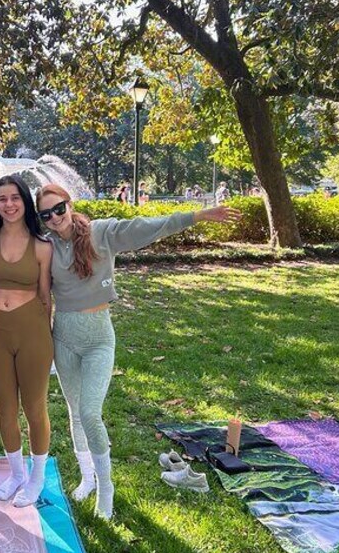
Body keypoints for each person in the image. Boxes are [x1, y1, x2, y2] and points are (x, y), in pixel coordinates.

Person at [35, 183, 241, 519]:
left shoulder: (101, 233)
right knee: (74, 412)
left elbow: (148, 227)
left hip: (99, 338)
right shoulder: (45, 248)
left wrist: (199, 215)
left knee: (90, 412)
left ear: (69, 205)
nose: (55, 217)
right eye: (46, 214)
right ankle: (87, 477)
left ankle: (106, 487)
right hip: (64, 339)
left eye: (59, 208)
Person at [0, 174, 54, 508]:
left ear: (25, 201)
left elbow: (46, 297)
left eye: (15, 198)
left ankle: (37, 477)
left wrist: (49, 343)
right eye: (2, 199)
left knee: (34, 407)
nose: (9, 204)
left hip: (32, 331)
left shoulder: (42, 246)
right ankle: (17, 473)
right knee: (4, 409)